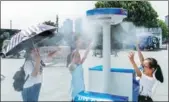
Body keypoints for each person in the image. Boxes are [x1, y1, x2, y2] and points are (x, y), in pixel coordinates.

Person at [68, 36, 92, 101]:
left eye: (79, 56)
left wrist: (90, 45)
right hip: (74, 94)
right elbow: (75, 54)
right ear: (72, 58)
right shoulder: (71, 66)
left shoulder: (80, 64)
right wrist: (78, 46)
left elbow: (85, 55)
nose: (78, 57)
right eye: (76, 56)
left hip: (81, 91)